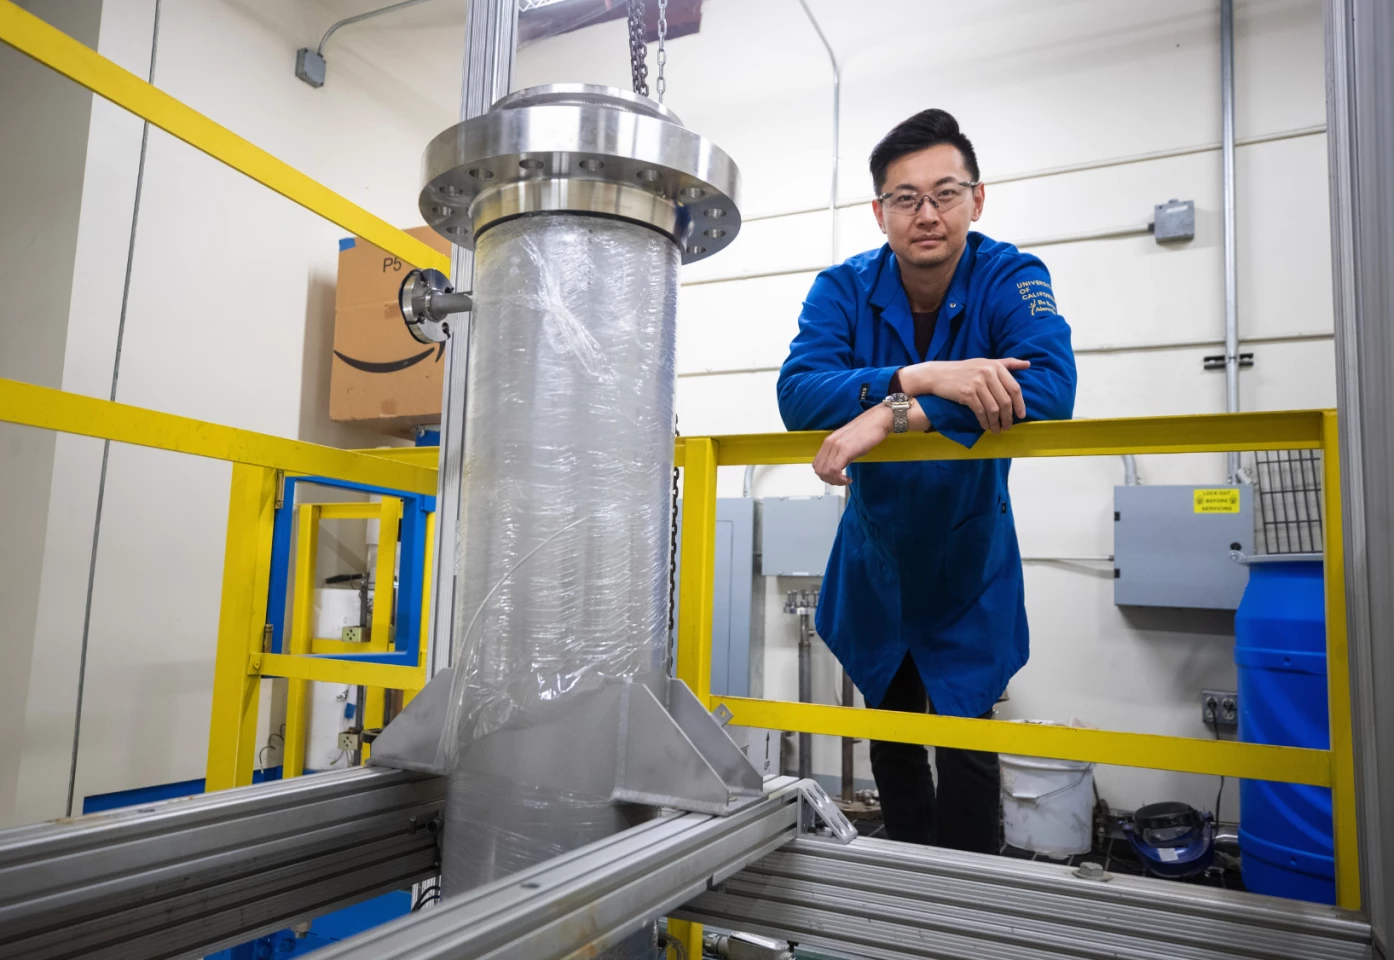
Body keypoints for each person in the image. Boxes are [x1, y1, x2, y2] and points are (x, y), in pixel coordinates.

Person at [775, 109, 1078, 853]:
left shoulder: (1010, 275)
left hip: (970, 560)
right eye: (906, 198)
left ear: (978, 199)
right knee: (892, 738)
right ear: (879, 212)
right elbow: (798, 395)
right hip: (878, 561)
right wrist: (916, 377)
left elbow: (1050, 392)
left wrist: (891, 414)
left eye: (946, 192)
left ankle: (968, 901)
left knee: (967, 744)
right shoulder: (843, 289)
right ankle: (903, 890)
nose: (928, 213)